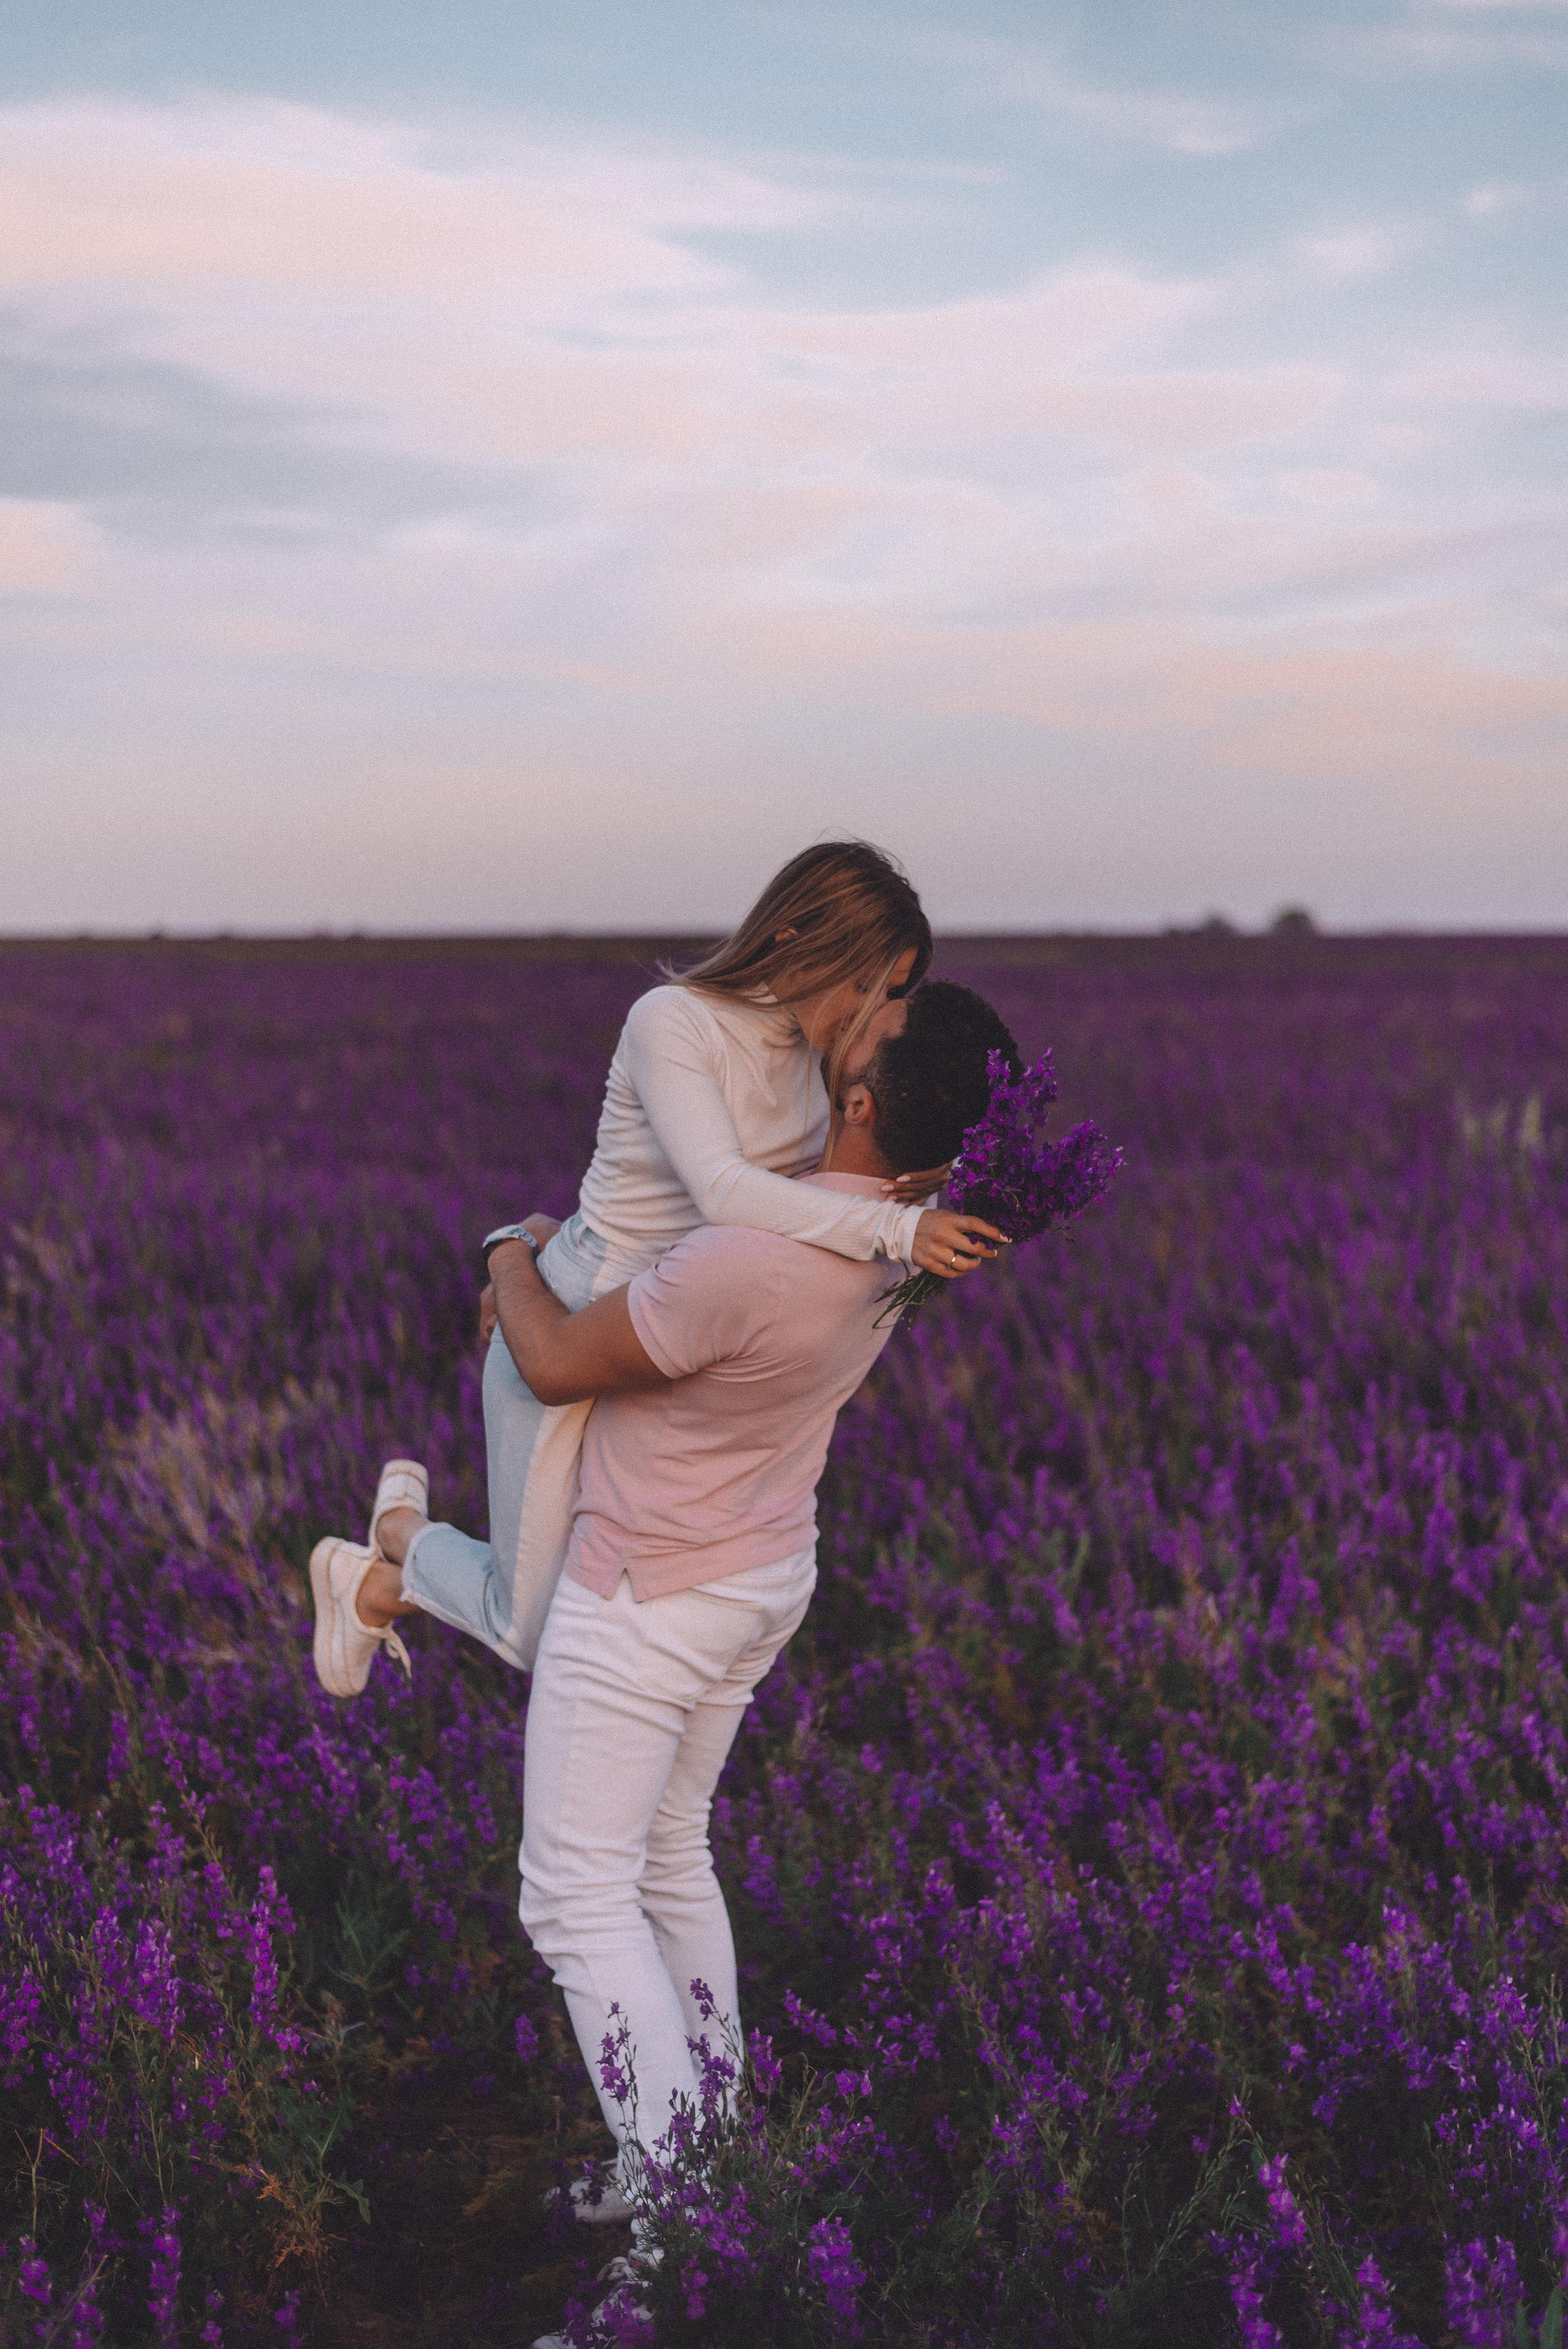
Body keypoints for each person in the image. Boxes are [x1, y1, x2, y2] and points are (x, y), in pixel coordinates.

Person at [323, 981, 1022, 2349]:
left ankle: (685, 2240)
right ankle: (695, 2168)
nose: (829, 1038)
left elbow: (554, 1357)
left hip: (650, 1592)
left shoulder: (759, 1260)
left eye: (858, 1041)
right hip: (762, 1572)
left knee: (573, 1902)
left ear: (865, 1102)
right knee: (666, 1858)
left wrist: (511, 1255)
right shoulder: (898, 1246)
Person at [309, 842, 1003, 1693]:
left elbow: (859, 1173)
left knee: (577, 1603)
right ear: (794, 935)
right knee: (531, 1633)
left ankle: (391, 1553)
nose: (870, 1014)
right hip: (569, 1316)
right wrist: (898, 1230)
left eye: (891, 995)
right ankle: (388, 1556)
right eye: (863, 983)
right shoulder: (671, 1021)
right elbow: (721, 1191)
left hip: (661, 1334)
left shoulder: (827, 1070)